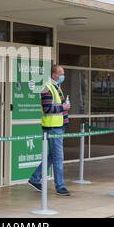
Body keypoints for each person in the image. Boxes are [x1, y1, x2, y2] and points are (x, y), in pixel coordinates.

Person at [28, 65, 71, 196]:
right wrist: (63, 107)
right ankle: (60, 186)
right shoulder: (47, 87)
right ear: (53, 74)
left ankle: (35, 178)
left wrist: (64, 108)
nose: (63, 75)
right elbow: (47, 109)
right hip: (53, 128)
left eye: (63, 73)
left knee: (51, 157)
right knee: (58, 157)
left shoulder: (57, 87)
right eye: (60, 73)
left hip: (58, 127)